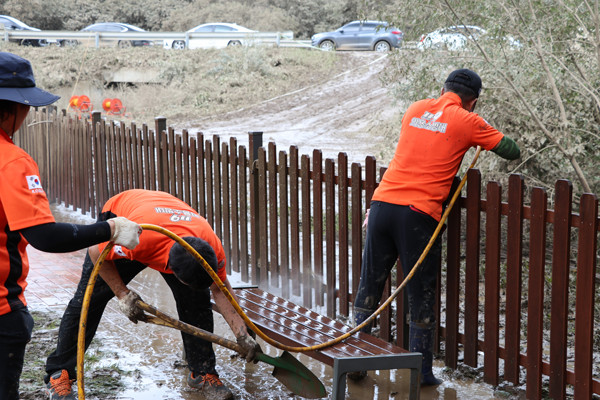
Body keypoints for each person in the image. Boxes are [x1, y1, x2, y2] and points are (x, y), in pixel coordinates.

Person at [352, 69, 520, 385]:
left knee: (369, 284)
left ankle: (354, 361)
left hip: (381, 205)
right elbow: (511, 149)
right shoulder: (468, 120)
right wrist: (481, 130)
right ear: (472, 101)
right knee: (421, 293)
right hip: (417, 214)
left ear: (442, 88)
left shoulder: (415, 109)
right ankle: (422, 373)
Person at [0, 52, 142, 400]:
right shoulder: (12, 162)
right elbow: (44, 235)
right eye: (26, 105)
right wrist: (108, 229)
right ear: (11, 110)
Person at [44, 189, 261, 400]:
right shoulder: (138, 240)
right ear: (171, 271)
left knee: (197, 303)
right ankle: (59, 373)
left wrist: (242, 334)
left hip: (164, 218)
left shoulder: (210, 248)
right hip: (125, 217)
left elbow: (220, 290)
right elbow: (95, 252)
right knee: (89, 301)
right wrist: (123, 295)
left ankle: (202, 373)